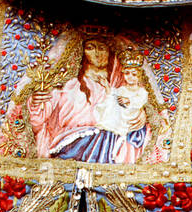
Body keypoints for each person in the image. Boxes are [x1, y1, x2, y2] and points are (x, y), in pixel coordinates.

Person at [23, 35, 163, 164]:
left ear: (110, 52)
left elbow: (141, 116)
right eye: (90, 48)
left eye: (102, 48)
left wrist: (142, 114)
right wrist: (37, 102)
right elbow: (39, 121)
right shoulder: (67, 86)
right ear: (81, 52)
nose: (97, 53)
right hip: (74, 146)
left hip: (111, 149)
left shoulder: (122, 88)